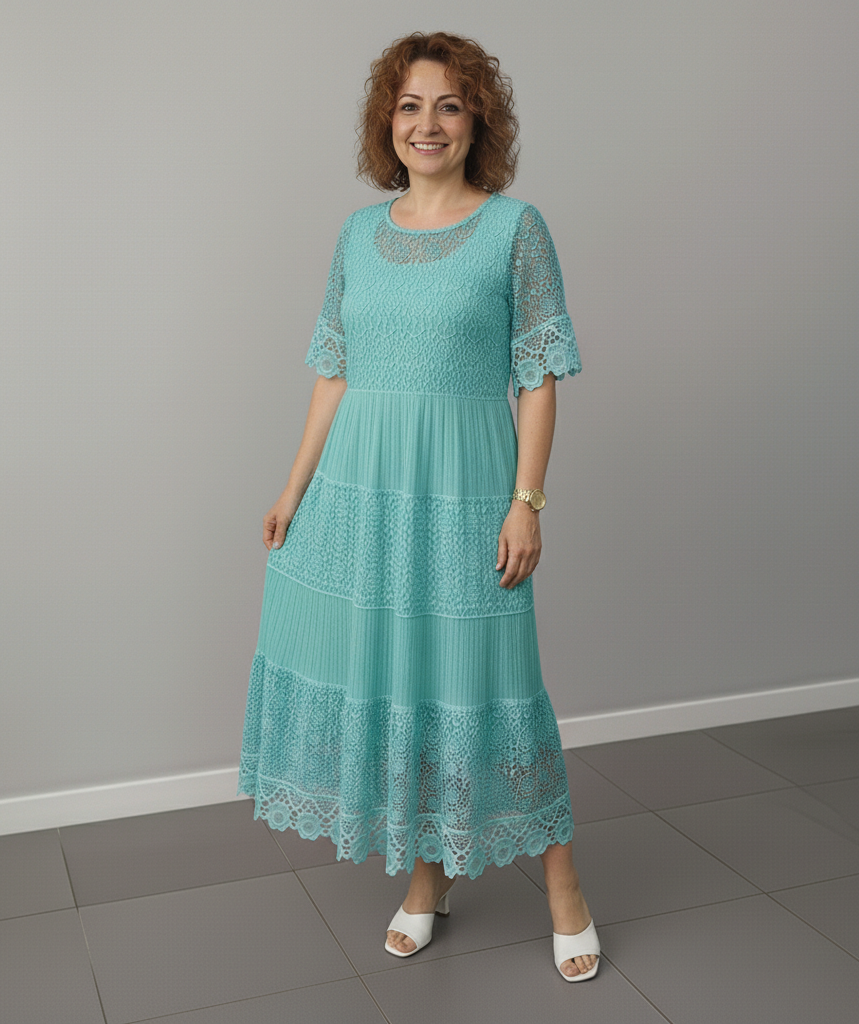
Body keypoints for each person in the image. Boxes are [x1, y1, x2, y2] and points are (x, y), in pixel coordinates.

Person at [236, 30, 600, 981]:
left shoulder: (516, 229)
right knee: (410, 684)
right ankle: (427, 877)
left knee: (490, 683)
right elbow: (335, 373)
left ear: (477, 119)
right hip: (362, 493)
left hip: (466, 493)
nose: (426, 123)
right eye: (409, 105)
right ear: (386, 122)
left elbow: (538, 379)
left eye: (448, 104)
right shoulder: (356, 235)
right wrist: (292, 489)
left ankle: (563, 886)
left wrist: (528, 503)